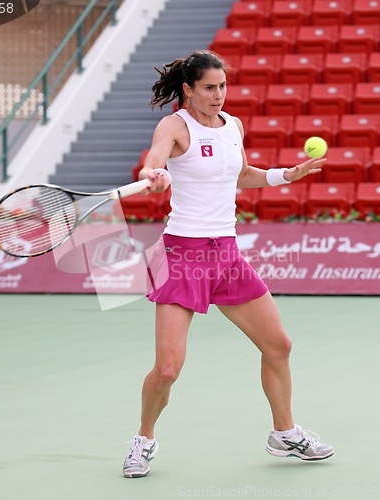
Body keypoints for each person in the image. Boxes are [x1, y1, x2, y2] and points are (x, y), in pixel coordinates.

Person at [122, 50, 333, 479]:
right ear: (188, 89)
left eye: (222, 86)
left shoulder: (233, 125)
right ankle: (143, 439)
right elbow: (155, 160)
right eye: (209, 87)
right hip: (182, 256)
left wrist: (284, 175)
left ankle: (284, 433)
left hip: (226, 255)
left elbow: (235, 173)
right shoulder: (175, 125)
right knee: (167, 369)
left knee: (279, 346)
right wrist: (155, 173)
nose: (219, 95)